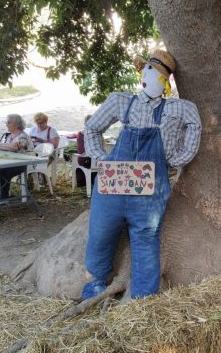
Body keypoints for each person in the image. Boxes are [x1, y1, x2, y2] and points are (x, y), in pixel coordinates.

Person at [81, 49, 202, 300]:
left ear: (166, 81)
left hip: (149, 194)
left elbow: (195, 123)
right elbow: (91, 128)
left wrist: (179, 159)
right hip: (112, 187)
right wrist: (101, 159)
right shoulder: (120, 102)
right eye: (149, 69)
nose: (153, 76)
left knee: (146, 241)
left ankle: (142, 300)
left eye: (160, 74)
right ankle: (94, 286)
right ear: (141, 74)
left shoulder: (178, 109)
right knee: (100, 235)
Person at [0, 114, 34, 199]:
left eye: (9, 122)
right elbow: (6, 146)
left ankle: (3, 195)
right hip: (13, 161)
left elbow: (15, 147)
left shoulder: (23, 136)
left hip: (24, 163)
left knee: (3, 171)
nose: (6, 124)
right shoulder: (10, 136)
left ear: (17, 124)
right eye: (6, 122)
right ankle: (2, 194)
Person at [75, 115, 94, 187]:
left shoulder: (81, 134)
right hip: (98, 160)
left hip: (87, 160)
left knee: (78, 159)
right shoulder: (99, 133)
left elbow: (81, 151)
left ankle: (81, 182)